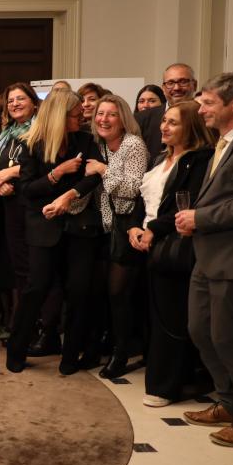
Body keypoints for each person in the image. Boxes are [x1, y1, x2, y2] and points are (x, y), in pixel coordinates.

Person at [175, 73, 233, 447]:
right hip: (208, 258)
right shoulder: (223, 142)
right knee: (201, 332)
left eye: (208, 102)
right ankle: (228, 402)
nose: (201, 109)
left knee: (229, 340)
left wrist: (201, 218)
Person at [6, 89, 104, 375]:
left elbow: (93, 178)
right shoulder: (31, 144)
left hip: (79, 227)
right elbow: (27, 190)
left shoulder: (85, 140)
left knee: (78, 291)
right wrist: (56, 173)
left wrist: (69, 195)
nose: (81, 118)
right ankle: (16, 350)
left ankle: (70, 356)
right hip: (43, 227)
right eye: (76, 115)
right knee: (36, 289)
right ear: (60, 116)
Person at [127, 101, 212, 407]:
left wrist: (153, 229)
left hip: (175, 246)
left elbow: (186, 205)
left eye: (173, 122)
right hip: (148, 243)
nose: (164, 127)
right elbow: (144, 199)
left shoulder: (199, 160)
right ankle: (168, 378)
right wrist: (134, 227)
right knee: (154, 316)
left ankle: (165, 387)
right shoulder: (160, 158)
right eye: (164, 121)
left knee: (172, 318)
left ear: (191, 126)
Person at [85, 94, 148, 379]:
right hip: (103, 228)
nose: (104, 119)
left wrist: (103, 170)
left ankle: (122, 353)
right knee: (101, 293)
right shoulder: (97, 144)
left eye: (111, 114)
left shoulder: (133, 144)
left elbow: (133, 188)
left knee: (119, 293)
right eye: (100, 113)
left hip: (128, 226)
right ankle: (106, 344)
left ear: (123, 119)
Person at [0, 83, 39, 344]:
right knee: (9, 267)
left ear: (34, 103)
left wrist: (10, 173)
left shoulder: (41, 131)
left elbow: (42, 164)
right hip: (2, 206)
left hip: (29, 205)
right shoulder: (6, 132)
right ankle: (13, 321)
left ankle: (27, 326)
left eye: (20, 99)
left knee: (27, 268)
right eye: (11, 100)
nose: (14, 104)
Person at [136, 63, 198, 158]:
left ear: (195, 85)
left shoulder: (205, 117)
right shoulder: (141, 119)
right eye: (170, 83)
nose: (177, 88)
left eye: (183, 82)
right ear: (163, 88)